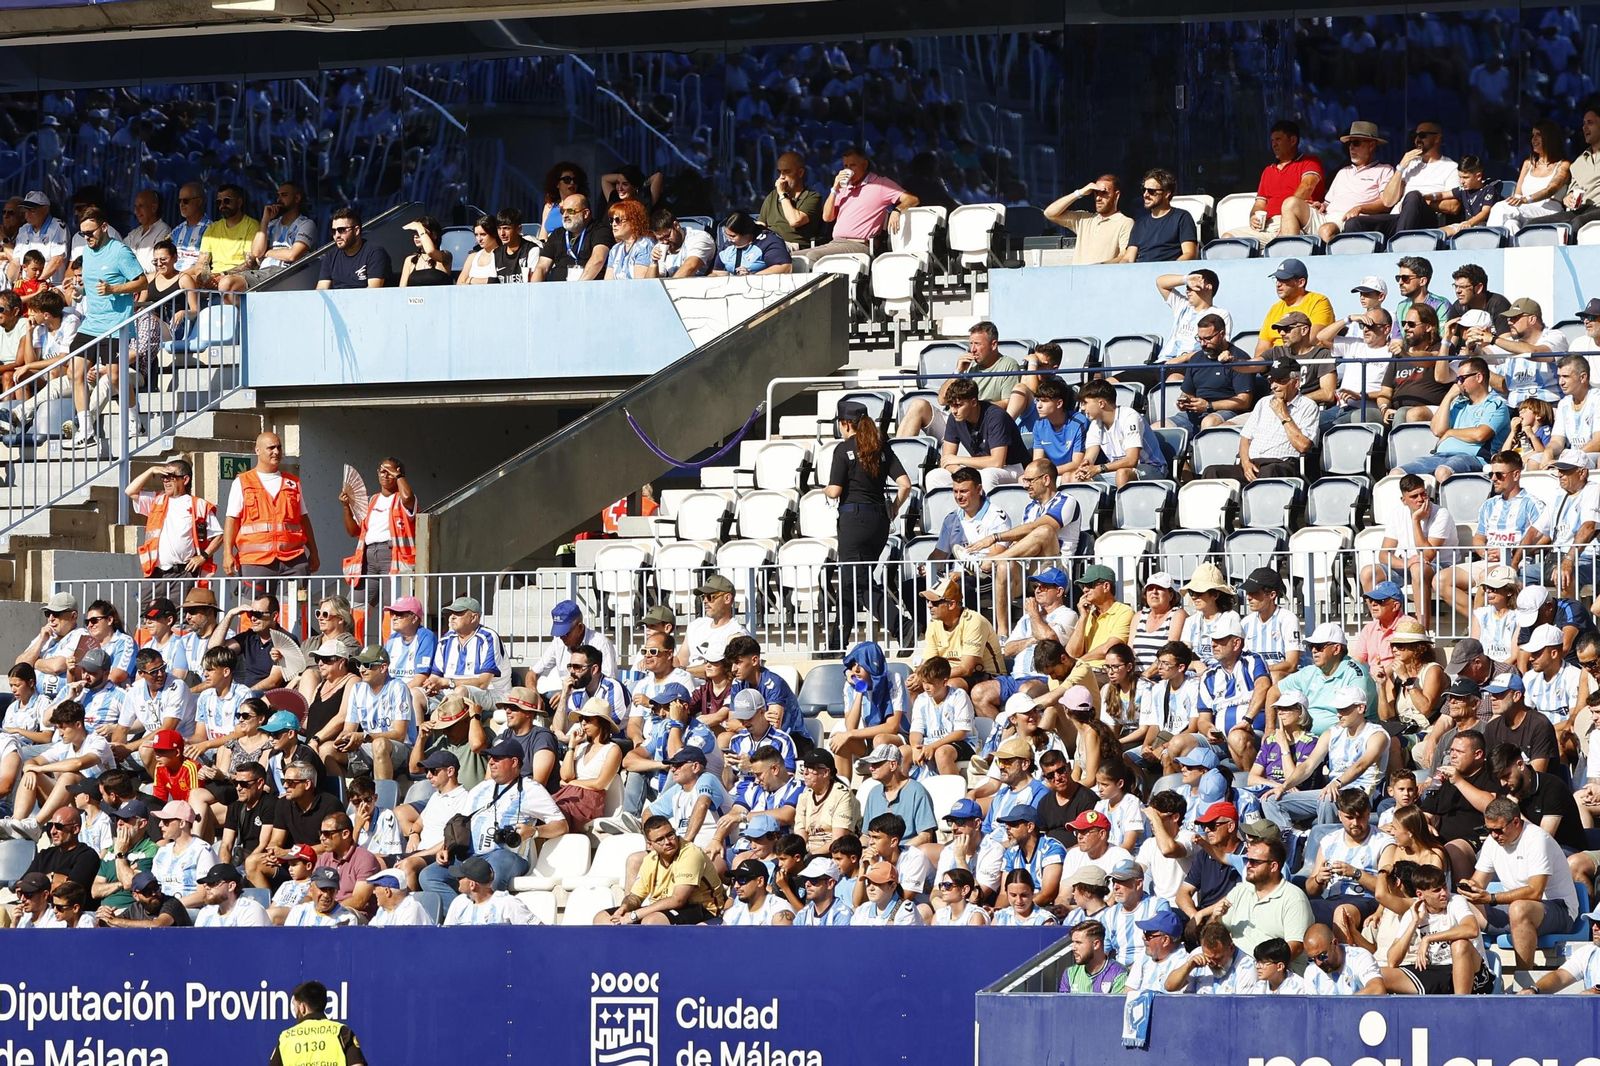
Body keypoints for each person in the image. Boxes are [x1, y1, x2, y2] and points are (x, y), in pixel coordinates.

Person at [827, 398, 911, 643]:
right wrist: (893, 509)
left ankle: (902, 626)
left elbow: (834, 491)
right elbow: (905, 485)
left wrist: (824, 489)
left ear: (845, 423)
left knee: (857, 582)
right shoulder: (880, 447)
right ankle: (837, 642)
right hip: (879, 521)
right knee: (850, 581)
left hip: (854, 521)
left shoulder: (843, 449)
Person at [1461, 796, 1580, 968]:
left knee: (1519, 908)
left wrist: (1492, 898)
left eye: (1498, 830)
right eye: (1489, 830)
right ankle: (1468, 972)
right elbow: (1478, 882)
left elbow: (1535, 892)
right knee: (1456, 903)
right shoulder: (1492, 841)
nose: (1494, 835)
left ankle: (1523, 977)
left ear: (1516, 822)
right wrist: (1469, 888)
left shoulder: (1537, 839)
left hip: (1559, 910)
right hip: (1514, 910)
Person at [1261, 688, 1386, 832]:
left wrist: (1337, 783)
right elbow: (1308, 765)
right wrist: (1283, 787)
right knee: (1271, 800)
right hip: (1333, 791)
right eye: (1338, 709)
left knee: (1328, 797)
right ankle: (1292, 839)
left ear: (1360, 708)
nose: (1339, 714)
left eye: (1344, 709)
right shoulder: (1331, 733)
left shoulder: (1377, 734)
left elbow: (1361, 765)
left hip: (1361, 794)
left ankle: (1323, 838)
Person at [1200, 353, 1318, 482]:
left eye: (1280, 381)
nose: (1273, 386)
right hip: (1252, 464)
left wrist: (1284, 415)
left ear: (1295, 382)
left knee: (1270, 471)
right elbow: (1245, 438)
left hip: (1281, 464)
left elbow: (1303, 446)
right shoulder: (1263, 402)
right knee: (1212, 472)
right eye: (1271, 380)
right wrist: (1245, 464)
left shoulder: (1308, 406)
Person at [223, 431, 319, 585]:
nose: (276, 452)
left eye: (279, 447)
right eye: (271, 448)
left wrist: (314, 552)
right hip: (255, 561)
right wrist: (227, 553)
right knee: (256, 601)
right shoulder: (242, 482)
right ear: (258, 450)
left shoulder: (292, 483)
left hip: (293, 559)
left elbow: (304, 519)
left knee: (297, 600)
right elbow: (232, 520)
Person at [799, 146, 918, 262]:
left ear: (864, 165)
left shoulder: (880, 184)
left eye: (852, 165)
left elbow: (912, 199)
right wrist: (834, 189)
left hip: (859, 244)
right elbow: (827, 217)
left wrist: (897, 210)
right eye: (846, 166)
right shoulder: (843, 188)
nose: (848, 170)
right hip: (835, 243)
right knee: (794, 257)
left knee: (813, 256)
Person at [124, 459, 222, 598]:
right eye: (163, 477)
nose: (165, 480)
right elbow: (130, 491)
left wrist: (203, 557)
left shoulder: (199, 505)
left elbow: (219, 536)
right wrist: (151, 470)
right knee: (149, 611)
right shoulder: (156, 500)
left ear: (185, 479)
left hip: (184, 572)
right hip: (155, 573)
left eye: (170, 477)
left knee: (180, 611)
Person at [1345, 121, 1461, 237]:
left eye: (1422, 135)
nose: (1417, 139)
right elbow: (1388, 201)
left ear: (1437, 138)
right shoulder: (1411, 164)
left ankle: (1400, 244)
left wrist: (1422, 201)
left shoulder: (1450, 167)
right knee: (1354, 223)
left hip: (1426, 220)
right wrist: (1401, 167)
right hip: (1399, 217)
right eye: (1415, 136)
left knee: (1413, 196)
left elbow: (1454, 206)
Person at [601, 815, 724, 925]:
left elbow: (678, 900)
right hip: (666, 909)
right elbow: (635, 897)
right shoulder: (650, 859)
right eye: (660, 839)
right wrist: (624, 907)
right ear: (650, 845)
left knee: (652, 921)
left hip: (704, 909)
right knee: (603, 918)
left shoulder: (690, 853)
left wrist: (634, 915)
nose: (668, 842)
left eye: (670, 835)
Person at [926, 377, 1028, 493]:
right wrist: (961, 472)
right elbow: (947, 460)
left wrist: (958, 460)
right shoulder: (954, 418)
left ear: (974, 402)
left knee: (987, 476)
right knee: (934, 476)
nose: (954, 411)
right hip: (979, 468)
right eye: (951, 405)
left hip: (1014, 467)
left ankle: (989, 505)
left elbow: (997, 462)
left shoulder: (996, 416)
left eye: (958, 405)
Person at [1227, 120, 1326, 238]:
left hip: (1297, 222)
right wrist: (1253, 217)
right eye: (1272, 141)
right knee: (1227, 238)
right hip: (1268, 226)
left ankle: (1287, 245)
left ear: (1293, 140)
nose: (1274, 144)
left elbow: (1307, 186)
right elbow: (1260, 203)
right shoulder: (1268, 171)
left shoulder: (1310, 162)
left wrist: (1287, 217)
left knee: (1291, 204)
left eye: (1278, 139)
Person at [1158, 315, 1252, 437]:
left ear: (1222, 334)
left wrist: (1209, 406)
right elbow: (1188, 392)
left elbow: (1244, 401)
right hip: (1195, 413)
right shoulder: (1196, 359)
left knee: (1208, 422)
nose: (1203, 344)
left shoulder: (1239, 359)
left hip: (1227, 412)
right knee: (1157, 427)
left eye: (1208, 339)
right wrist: (1184, 401)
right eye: (1200, 339)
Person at [1308, 121, 1396, 241]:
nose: (1351, 147)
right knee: (1291, 205)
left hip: (1348, 220)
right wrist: (1321, 205)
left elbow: (1385, 203)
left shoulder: (1385, 170)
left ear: (1371, 145)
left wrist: (1360, 208)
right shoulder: (1342, 171)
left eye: (1356, 143)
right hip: (1325, 216)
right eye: (1349, 143)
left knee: (1326, 230)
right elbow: (1328, 202)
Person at [1488, 121, 1573, 236]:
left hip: (1549, 212)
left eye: (1538, 135)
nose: (1534, 139)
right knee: (1510, 223)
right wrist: (1519, 200)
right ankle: (1515, 247)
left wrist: (1525, 200)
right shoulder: (1528, 164)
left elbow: (1551, 189)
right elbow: (1518, 195)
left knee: (1500, 208)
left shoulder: (1563, 165)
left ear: (1550, 138)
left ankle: (1489, 242)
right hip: (1525, 211)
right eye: (1533, 135)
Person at [268, 981, 367, 1066]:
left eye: (295, 1006)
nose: (294, 1010)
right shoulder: (341, 1032)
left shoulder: (286, 1038)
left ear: (302, 1008)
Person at [1044, 175, 1133, 264]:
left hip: (1103, 272)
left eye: (1103, 193)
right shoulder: (1084, 218)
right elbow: (1049, 213)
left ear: (1116, 195)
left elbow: (1124, 256)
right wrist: (1080, 192)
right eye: (1096, 193)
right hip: (1077, 273)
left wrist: (1099, 266)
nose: (1098, 198)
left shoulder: (1125, 222)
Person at [1116, 169, 1197, 263]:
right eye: (1144, 190)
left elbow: (1189, 254)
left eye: (1151, 191)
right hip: (1140, 270)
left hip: (1168, 270)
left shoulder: (1182, 217)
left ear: (1167, 194)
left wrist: (1172, 268)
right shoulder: (1140, 223)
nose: (1145, 195)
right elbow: (1128, 258)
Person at [1165, 920, 1262, 993]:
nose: (1212, 963)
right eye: (1208, 957)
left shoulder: (1247, 967)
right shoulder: (1197, 955)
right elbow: (1169, 987)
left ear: (1231, 948)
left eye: (1218, 958)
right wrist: (1188, 966)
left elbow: (1242, 1008)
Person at [530, 195, 611, 282]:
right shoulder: (557, 234)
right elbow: (542, 267)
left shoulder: (600, 230)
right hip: (558, 288)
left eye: (570, 211)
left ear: (585, 213)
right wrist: (534, 289)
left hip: (587, 287)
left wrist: (577, 287)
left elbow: (598, 260)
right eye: (562, 211)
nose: (565, 215)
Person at [441, 855, 538, 926]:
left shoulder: (508, 904)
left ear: (472, 885)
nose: (457, 879)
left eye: (460, 877)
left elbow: (540, 933)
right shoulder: (459, 902)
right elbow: (447, 936)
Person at [315, 207, 389, 290]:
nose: (337, 235)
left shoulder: (375, 253)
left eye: (341, 230)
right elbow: (321, 290)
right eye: (333, 231)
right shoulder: (330, 256)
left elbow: (373, 291)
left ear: (356, 230)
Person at [758, 152, 823, 246]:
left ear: (800, 173)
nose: (781, 177)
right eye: (779, 172)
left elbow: (795, 221)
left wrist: (782, 194)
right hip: (769, 243)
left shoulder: (812, 197)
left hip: (794, 245)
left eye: (787, 172)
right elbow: (761, 224)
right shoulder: (773, 195)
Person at [1301, 923, 1387, 994]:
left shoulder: (1360, 957)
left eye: (1322, 956)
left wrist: (1342, 1005)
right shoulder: (1311, 972)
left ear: (1335, 943)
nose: (1318, 963)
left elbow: (1377, 989)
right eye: (1312, 959)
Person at [1059, 919, 1129, 992]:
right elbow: (1062, 999)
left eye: (1078, 942)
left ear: (1096, 944)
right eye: (1073, 942)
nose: (1073, 948)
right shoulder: (1070, 973)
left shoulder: (1119, 974)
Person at [650, 209, 715, 278]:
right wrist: (654, 263)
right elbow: (650, 281)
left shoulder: (699, 238)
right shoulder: (661, 246)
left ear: (676, 225)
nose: (665, 242)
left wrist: (671, 284)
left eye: (667, 236)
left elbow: (690, 267)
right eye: (660, 239)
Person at [603, 200, 657, 280]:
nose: (614, 224)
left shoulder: (644, 244)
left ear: (633, 221)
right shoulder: (615, 249)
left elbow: (640, 282)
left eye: (618, 220)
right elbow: (608, 282)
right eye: (611, 220)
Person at [397, 216, 452, 286]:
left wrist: (419, 228)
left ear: (434, 235)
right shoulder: (410, 260)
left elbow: (430, 251)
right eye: (415, 232)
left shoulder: (446, 256)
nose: (416, 236)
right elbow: (402, 288)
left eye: (420, 232)